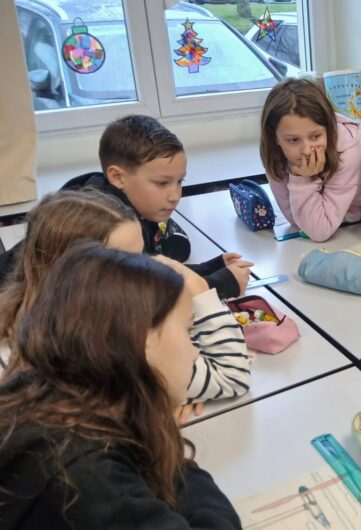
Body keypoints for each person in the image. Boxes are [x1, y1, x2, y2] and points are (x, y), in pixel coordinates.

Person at [0, 243, 240, 528]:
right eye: (188, 330)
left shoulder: (40, 394)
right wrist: (165, 436)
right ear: (143, 340)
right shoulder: (89, 477)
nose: (193, 353)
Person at [0, 190, 251, 417]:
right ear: (79, 275)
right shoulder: (118, 342)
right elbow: (232, 376)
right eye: (129, 260)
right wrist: (201, 294)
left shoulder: (28, 306)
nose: (146, 267)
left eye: (144, 254)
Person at [0, 114, 252, 298]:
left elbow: (149, 268)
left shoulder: (112, 198)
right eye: (162, 183)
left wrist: (209, 268)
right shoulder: (105, 228)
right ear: (118, 177)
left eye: (179, 182)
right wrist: (217, 286)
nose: (175, 195)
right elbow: (136, 298)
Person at [260, 78, 361, 242]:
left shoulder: (349, 154)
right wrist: (300, 178)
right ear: (274, 137)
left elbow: (319, 231)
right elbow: (297, 220)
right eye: (293, 140)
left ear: (328, 128)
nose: (306, 150)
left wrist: (302, 179)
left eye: (315, 136)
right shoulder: (275, 156)